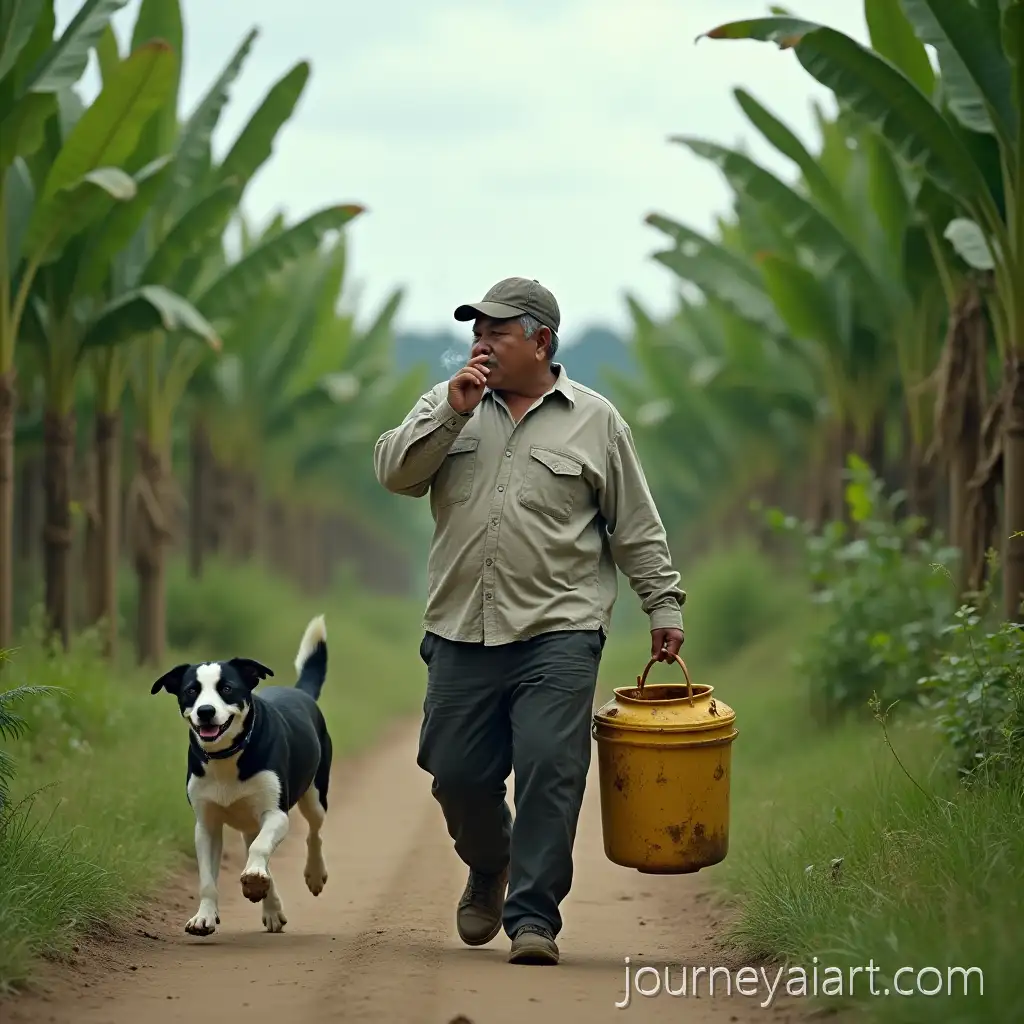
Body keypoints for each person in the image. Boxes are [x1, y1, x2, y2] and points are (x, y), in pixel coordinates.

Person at [372, 276, 685, 966]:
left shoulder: (596, 421)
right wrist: (449, 413)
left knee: (551, 766)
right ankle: (491, 864)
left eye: (498, 331)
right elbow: (394, 472)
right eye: (475, 330)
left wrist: (662, 603)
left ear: (541, 341)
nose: (481, 343)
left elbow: (634, 525)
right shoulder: (448, 401)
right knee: (454, 771)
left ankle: (534, 917)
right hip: (460, 627)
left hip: (560, 630)